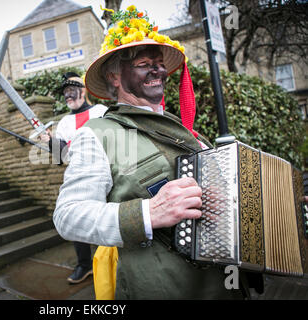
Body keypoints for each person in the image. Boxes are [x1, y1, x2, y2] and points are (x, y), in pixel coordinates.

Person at [53, 6, 249, 299]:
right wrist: (149, 213)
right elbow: (67, 216)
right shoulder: (99, 134)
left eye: (159, 63)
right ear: (115, 76)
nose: (157, 70)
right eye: (144, 63)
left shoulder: (188, 131)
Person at [40, 72, 107, 284]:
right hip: (77, 177)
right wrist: (51, 142)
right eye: (65, 92)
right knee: (77, 219)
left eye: (72, 89)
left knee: (108, 218)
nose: (68, 95)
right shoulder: (65, 122)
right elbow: (62, 157)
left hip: (105, 174)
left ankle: (110, 264)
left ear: (84, 89)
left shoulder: (101, 111)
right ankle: (85, 265)